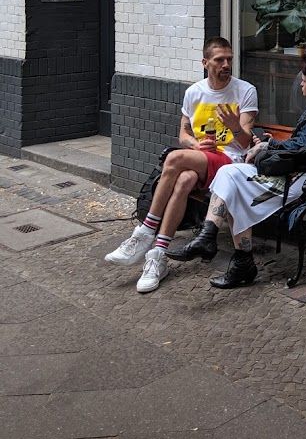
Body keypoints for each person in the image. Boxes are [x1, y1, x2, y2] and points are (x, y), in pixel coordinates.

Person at [171, 47, 306, 290]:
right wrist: (267, 144)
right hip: (288, 173)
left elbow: (304, 146)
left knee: (235, 188)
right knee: (227, 173)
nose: (300, 83)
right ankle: (209, 236)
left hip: (301, 181)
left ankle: (240, 260)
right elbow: (302, 144)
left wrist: (267, 146)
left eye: (304, 80)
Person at [104, 36, 258, 293]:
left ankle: (144, 232)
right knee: (184, 180)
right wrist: (195, 146)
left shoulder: (245, 90)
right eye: (219, 60)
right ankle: (158, 256)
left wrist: (233, 127)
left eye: (229, 59)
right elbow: (184, 135)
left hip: (231, 165)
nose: (226, 64)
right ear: (205, 62)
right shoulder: (194, 92)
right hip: (202, 159)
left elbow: (244, 146)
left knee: (173, 158)